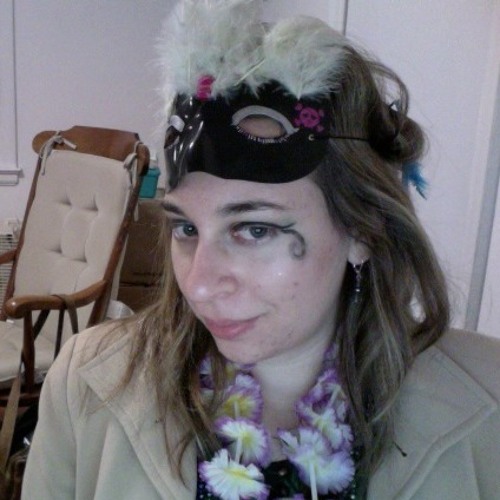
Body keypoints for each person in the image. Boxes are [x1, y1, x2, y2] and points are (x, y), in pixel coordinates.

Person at [22, 1, 500, 499]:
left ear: (364, 230)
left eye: (254, 230)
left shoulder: (488, 404)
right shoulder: (87, 385)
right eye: (186, 227)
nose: (199, 285)